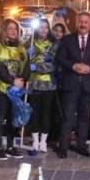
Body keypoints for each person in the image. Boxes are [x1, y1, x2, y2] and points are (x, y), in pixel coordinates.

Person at [56, 11, 90, 158]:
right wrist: (73, 66)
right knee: (68, 117)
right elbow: (60, 58)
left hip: (88, 85)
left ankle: (81, 145)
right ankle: (63, 146)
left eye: (86, 22)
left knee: (84, 117)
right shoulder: (67, 40)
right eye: (81, 22)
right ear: (76, 23)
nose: (83, 24)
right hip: (71, 84)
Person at [0, 18, 30, 160]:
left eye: (15, 29)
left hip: (16, 89)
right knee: (0, 117)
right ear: (4, 31)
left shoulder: (22, 49)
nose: (13, 31)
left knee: (13, 117)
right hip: (1, 88)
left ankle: (10, 146)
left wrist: (22, 81)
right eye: (10, 29)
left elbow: (26, 68)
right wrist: (11, 80)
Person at [27, 18, 58, 153]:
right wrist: (27, 56)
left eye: (46, 27)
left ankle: (43, 141)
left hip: (48, 84)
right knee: (35, 113)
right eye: (41, 27)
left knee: (46, 113)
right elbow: (24, 63)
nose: (43, 30)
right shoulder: (30, 43)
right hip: (34, 83)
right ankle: (35, 140)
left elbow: (53, 65)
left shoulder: (54, 44)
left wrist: (37, 67)